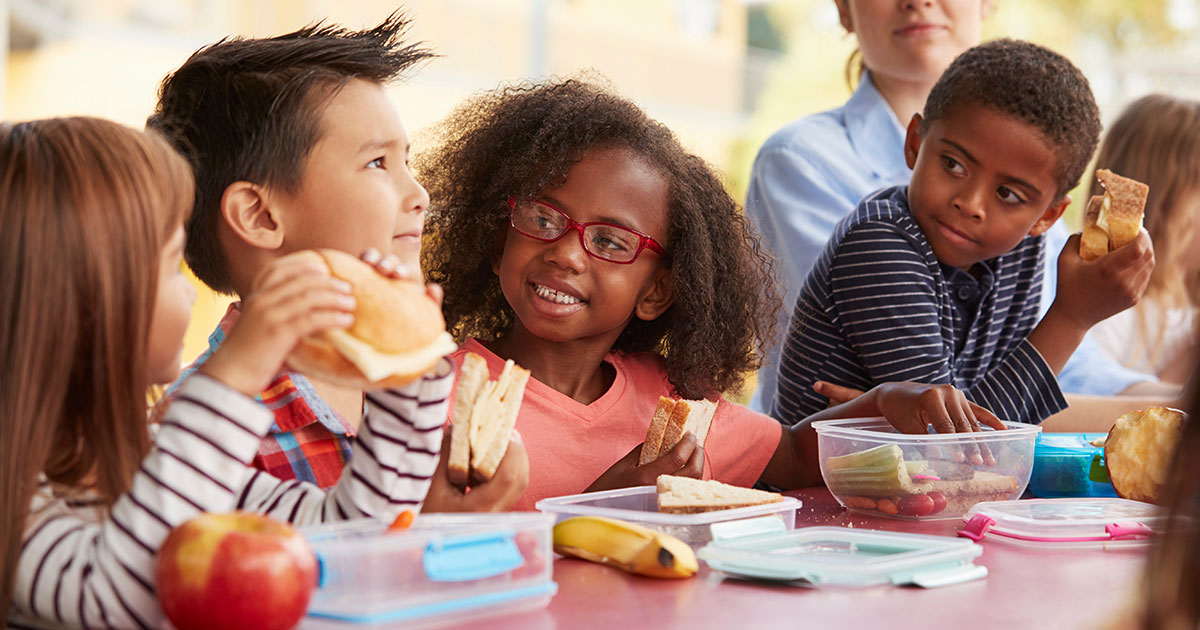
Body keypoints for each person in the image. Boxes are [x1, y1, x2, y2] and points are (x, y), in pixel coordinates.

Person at [418, 78, 1004, 511]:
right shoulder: (430, 401)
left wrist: (885, 400)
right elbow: (416, 558)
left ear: (657, 291)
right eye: (543, 220)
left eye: (610, 240)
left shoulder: (666, 398)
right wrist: (598, 506)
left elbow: (797, 456)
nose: (567, 253)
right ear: (498, 242)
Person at [0, 117, 454, 628]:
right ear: (82, 302)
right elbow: (123, 596)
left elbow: (353, 540)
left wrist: (408, 365)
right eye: (173, 265)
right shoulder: (16, 504)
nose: (191, 292)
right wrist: (234, 371)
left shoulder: (149, 458)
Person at [147, 13, 526, 509]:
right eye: (377, 163)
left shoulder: (422, 384)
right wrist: (427, 525)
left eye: (406, 161)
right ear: (260, 216)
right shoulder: (196, 443)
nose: (419, 195)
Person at [746, 0, 1170, 418]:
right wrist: (1071, 318)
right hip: (822, 486)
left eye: (1008, 194)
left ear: (1046, 218)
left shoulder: (1021, 248)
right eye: (953, 165)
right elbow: (956, 444)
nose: (969, 203)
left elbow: (985, 420)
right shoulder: (878, 242)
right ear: (914, 144)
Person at [1087, 95, 1200, 386]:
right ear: (1166, 202)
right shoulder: (1110, 304)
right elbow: (1093, 399)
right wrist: (1191, 354)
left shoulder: (1188, 307)